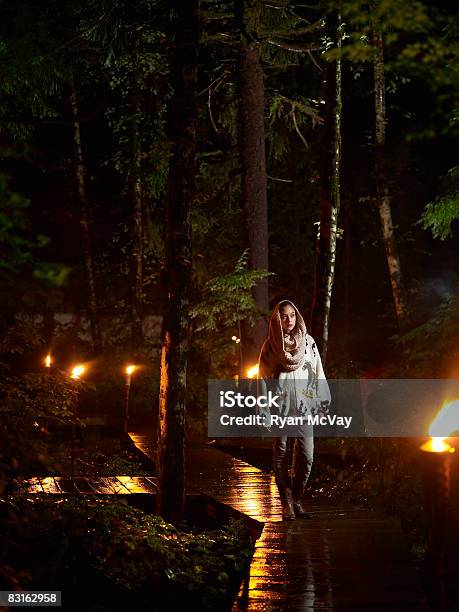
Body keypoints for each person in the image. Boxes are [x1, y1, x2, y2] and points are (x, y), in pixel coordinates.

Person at [257, 300, 331, 520]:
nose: (288, 320)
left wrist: (322, 403)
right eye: (283, 316)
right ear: (276, 319)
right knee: (280, 454)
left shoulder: (308, 344)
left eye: (291, 315)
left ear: (297, 316)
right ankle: (286, 502)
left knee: (306, 457)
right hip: (280, 407)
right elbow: (261, 379)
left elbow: (318, 373)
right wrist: (264, 410)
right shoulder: (270, 346)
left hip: (305, 406)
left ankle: (297, 499)